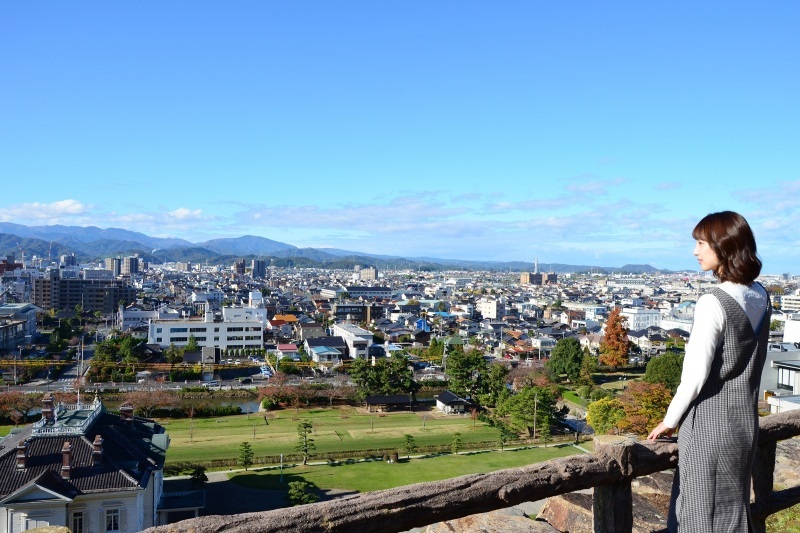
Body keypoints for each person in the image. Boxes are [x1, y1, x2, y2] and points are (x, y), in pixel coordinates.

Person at [647, 211, 770, 532]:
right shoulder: (761, 296)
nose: (695, 251)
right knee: (733, 512)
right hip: (744, 426)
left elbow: (695, 376)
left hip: (708, 426)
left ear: (724, 247)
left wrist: (670, 420)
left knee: (697, 514)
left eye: (701, 243)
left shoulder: (713, 302)